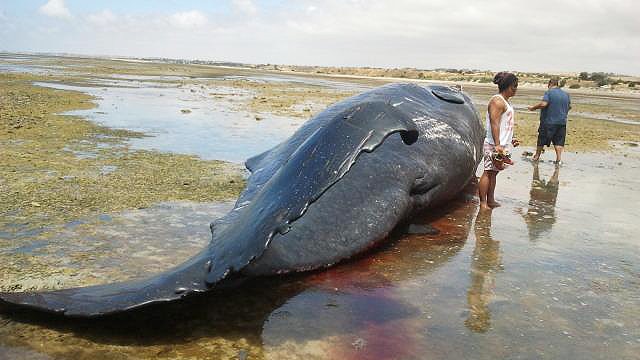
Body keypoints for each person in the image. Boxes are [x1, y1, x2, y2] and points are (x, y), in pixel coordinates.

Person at [478, 72, 519, 210]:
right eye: (514, 86)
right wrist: (497, 145)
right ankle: (483, 202)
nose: (515, 89)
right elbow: (494, 123)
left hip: (501, 144)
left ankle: (491, 199)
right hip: (493, 144)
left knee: (494, 172)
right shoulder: (497, 101)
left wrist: (511, 138)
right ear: (507, 86)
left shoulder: (506, 102)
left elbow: (505, 123)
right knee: (488, 171)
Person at [528, 78, 571, 164]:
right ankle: (558, 160)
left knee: (541, 139)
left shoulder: (549, 92)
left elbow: (544, 104)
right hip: (562, 122)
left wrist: (533, 108)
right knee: (559, 141)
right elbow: (569, 107)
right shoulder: (566, 94)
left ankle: (536, 156)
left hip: (548, 121)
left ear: (550, 84)